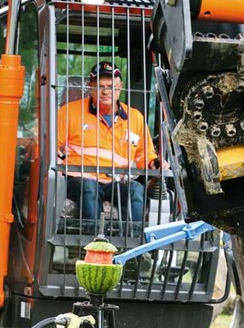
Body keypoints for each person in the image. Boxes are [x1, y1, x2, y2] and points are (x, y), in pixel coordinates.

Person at [57, 61, 168, 224]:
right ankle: (94, 245)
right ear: (91, 87)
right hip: (78, 180)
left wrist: (154, 163)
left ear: (120, 87)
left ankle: (134, 244)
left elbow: (144, 154)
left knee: (136, 190)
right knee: (89, 187)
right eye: (100, 86)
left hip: (116, 182)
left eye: (111, 86)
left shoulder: (135, 118)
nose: (106, 91)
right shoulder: (69, 112)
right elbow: (51, 147)